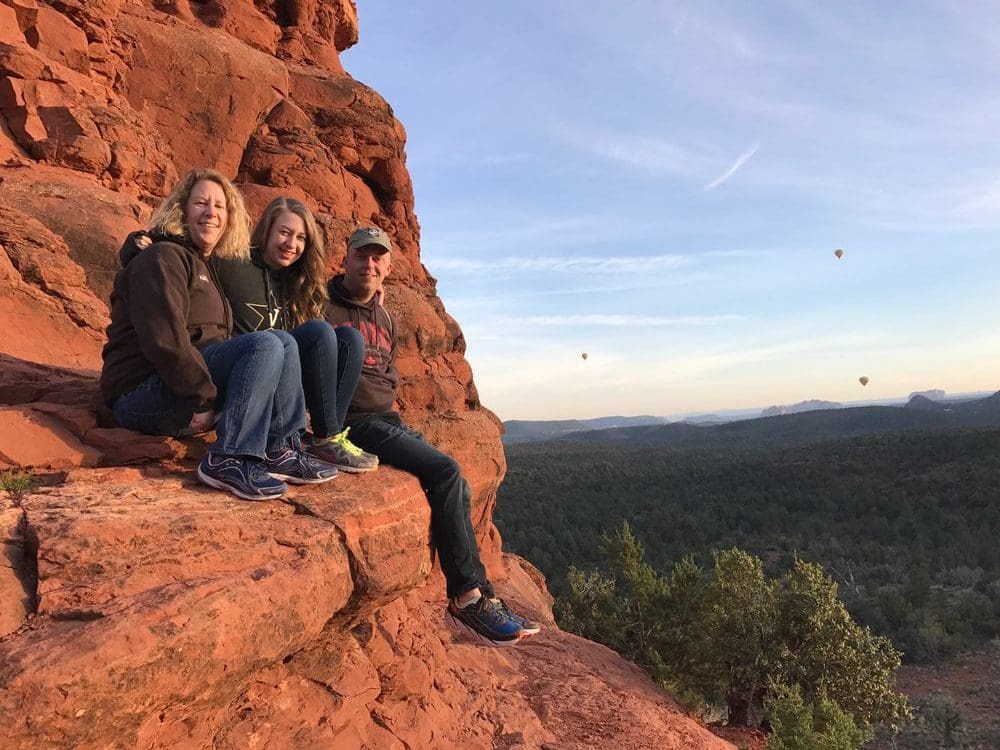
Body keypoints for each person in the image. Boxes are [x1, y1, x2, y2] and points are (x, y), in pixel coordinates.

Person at [325, 226, 541, 646]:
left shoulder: (384, 314)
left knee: (454, 483)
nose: (369, 265)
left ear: (387, 266)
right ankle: (466, 597)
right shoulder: (323, 307)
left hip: (385, 418)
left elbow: (386, 369)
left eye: (377, 258)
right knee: (445, 470)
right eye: (362, 256)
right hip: (354, 422)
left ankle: (484, 596)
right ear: (345, 259)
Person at [100, 168, 339, 500]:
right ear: (182, 209)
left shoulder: (205, 265)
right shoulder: (162, 256)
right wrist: (202, 397)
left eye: (220, 206)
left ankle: (279, 449)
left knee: (283, 340)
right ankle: (229, 457)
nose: (211, 213)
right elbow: (164, 339)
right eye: (201, 203)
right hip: (142, 394)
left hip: (179, 388)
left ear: (230, 218)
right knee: (265, 342)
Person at [121, 197, 378, 473]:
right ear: (267, 229)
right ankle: (307, 440)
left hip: (281, 370)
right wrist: (140, 243)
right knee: (314, 332)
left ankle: (328, 437)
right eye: (284, 232)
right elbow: (194, 244)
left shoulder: (298, 282)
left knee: (349, 339)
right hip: (243, 372)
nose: (292, 244)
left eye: (301, 238)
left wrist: (374, 295)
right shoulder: (234, 261)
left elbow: (336, 292)